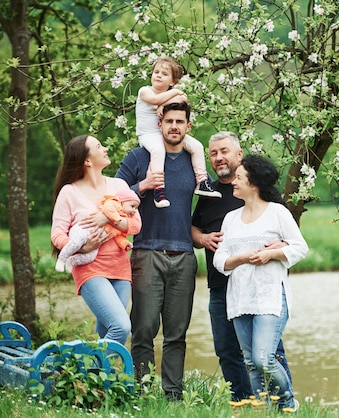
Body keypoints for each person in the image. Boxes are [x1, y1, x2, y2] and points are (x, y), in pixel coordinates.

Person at [191, 132, 292, 401]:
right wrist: (201, 238)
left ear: (239, 155)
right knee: (229, 352)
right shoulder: (208, 193)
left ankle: (284, 404)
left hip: (260, 288)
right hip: (220, 285)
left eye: (224, 151)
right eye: (213, 153)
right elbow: (195, 227)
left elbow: (288, 238)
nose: (218, 157)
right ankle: (246, 404)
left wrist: (275, 250)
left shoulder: (262, 195)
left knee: (268, 353)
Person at [116, 101, 198, 401]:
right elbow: (112, 194)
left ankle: (173, 396)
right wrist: (144, 186)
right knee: (143, 329)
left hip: (185, 256)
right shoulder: (140, 157)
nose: (174, 126)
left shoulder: (194, 162)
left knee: (177, 334)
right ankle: (144, 393)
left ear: (188, 126)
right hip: (146, 252)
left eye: (181, 121)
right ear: (160, 123)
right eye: (169, 121)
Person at [213, 154, 308, 411]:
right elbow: (219, 260)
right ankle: (263, 412)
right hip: (240, 298)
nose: (233, 181)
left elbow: (300, 248)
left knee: (264, 359)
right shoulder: (231, 218)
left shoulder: (277, 213)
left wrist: (271, 253)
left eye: (239, 178)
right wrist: (242, 258)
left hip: (270, 297)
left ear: (253, 184)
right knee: (251, 363)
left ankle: (288, 403)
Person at [51, 134, 142, 345]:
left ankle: (94, 376)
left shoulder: (118, 185)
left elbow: (136, 224)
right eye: (99, 146)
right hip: (90, 269)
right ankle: (89, 374)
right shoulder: (69, 192)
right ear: (87, 161)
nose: (106, 148)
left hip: (120, 268)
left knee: (107, 333)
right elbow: (57, 234)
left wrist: (109, 218)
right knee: (121, 327)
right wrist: (81, 248)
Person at [136, 56, 220, 207]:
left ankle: (202, 182)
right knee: (158, 150)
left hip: (166, 133)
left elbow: (184, 99)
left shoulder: (173, 93)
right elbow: (155, 100)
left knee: (197, 146)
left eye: (164, 73)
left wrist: (169, 101)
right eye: (156, 72)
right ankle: (159, 190)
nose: (159, 75)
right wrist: (174, 95)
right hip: (148, 134)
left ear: (172, 82)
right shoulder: (144, 91)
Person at [55, 188, 140, 273]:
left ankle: (71, 261)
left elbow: (118, 237)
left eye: (136, 208)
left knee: (90, 257)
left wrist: (125, 244)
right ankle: (61, 259)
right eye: (132, 206)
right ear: (122, 202)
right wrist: (115, 220)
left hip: (96, 241)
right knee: (76, 242)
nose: (134, 211)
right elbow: (107, 209)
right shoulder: (115, 203)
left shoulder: (122, 219)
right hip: (84, 230)